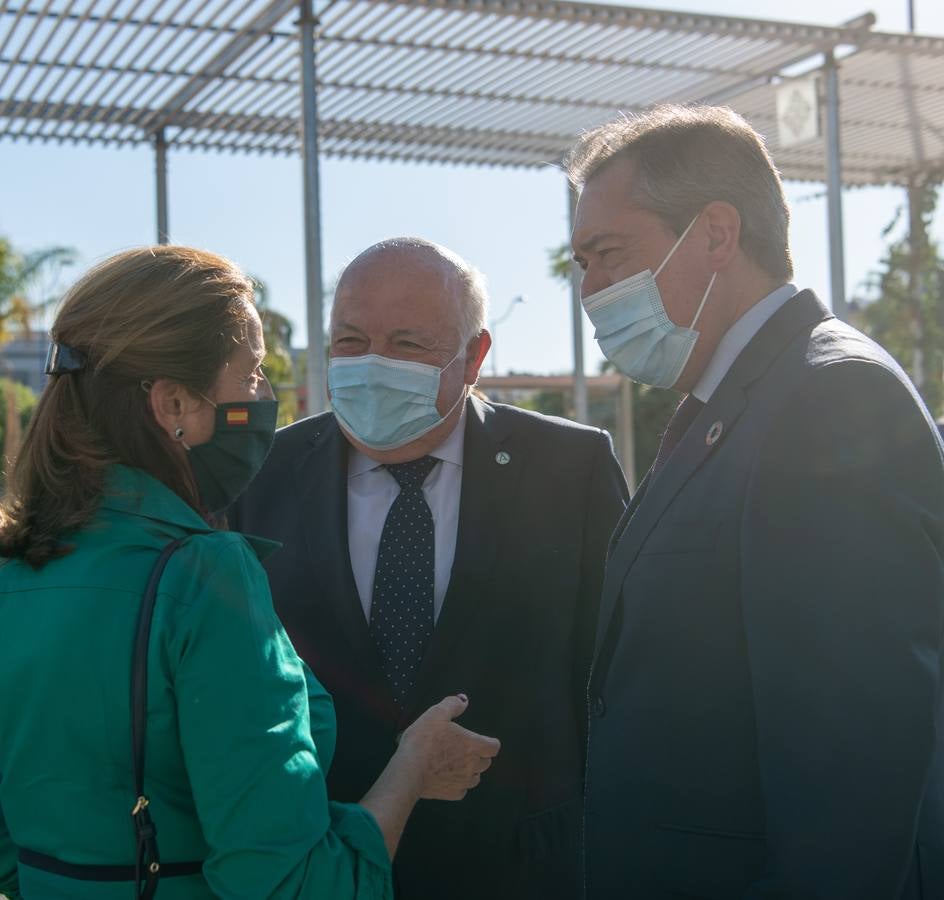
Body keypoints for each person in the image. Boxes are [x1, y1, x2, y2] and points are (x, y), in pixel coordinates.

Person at [0, 246, 500, 900]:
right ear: (174, 404)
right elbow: (291, 884)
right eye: (253, 372)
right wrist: (411, 771)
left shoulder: (19, 566)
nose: (266, 398)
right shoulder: (205, 574)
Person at [569, 105, 944, 899]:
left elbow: (854, 774)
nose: (591, 290)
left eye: (609, 255)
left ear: (714, 233)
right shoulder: (739, 403)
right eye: (581, 265)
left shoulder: (827, 397)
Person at [231, 237, 628, 899]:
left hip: (523, 868)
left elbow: (616, 676)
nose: (372, 363)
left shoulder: (571, 469)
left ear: (473, 356)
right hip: (327, 863)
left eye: (407, 344)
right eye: (351, 340)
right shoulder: (262, 475)